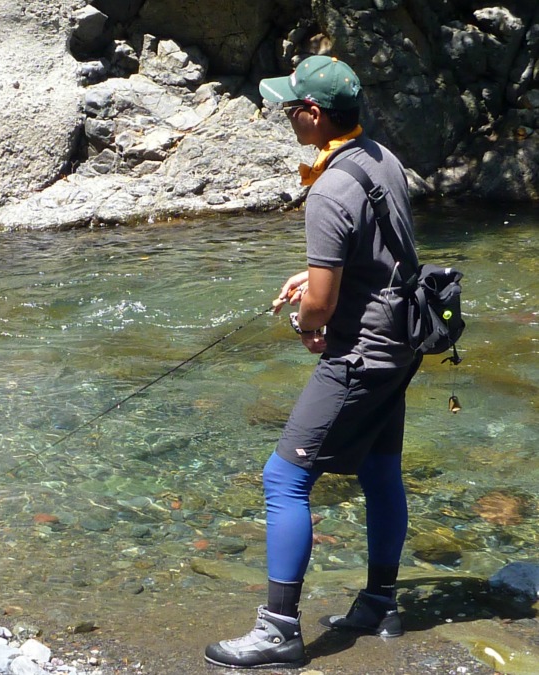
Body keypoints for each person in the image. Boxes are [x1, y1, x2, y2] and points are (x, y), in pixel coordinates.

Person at [204, 55, 423, 669]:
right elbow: (387, 254)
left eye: (289, 107)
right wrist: (318, 279)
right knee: (380, 470)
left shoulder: (328, 187)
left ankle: (278, 631)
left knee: (283, 479)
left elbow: (322, 309)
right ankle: (380, 602)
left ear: (314, 114)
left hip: (361, 353)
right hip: (401, 344)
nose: (284, 116)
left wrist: (307, 318)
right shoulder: (379, 158)